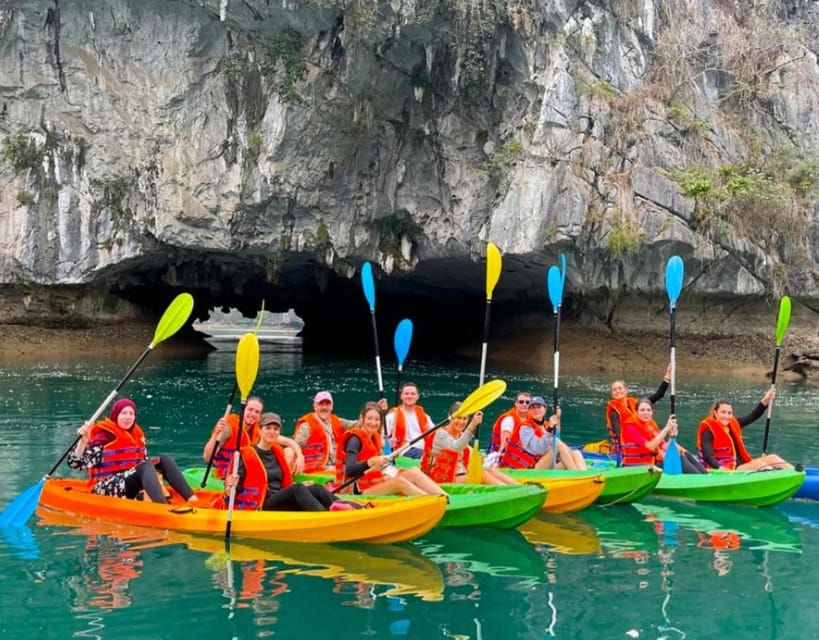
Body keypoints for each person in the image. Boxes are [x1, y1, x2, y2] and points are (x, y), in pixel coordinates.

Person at [68, 398, 198, 504]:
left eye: (131, 414)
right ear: (116, 415)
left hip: (130, 483)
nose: (128, 417)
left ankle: (191, 499)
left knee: (165, 460)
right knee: (145, 466)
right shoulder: (103, 436)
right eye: (123, 413)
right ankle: (161, 506)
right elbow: (76, 464)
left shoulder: (136, 435)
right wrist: (83, 442)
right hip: (104, 487)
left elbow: (144, 464)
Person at [223, 411, 356, 511]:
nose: (272, 432)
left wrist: (302, 485)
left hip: (279, 498)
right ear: (259, 430)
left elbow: (282, 484)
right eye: (268, 428)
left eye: (275, 429)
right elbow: (232, 492)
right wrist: (230, 485)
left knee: (315, 488)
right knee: (297, 488)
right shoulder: (246, 454)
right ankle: (324, 516)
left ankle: (351, 507)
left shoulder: (277, 451)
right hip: (261, 503)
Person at [337, 401, 448, 497]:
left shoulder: (373, 438)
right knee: (399, 482)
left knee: (414, 471)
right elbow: (350, 470)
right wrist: (372, 462)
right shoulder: (354, 440)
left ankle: (445, 497)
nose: (373, 423)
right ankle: (434, 503)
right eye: (369, 418)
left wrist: (391, 458)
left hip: (374, 483)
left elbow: (381, 467)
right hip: (356, 491)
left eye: (377, 419)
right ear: (362, 418)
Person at [696, 389, 793, 471]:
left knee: (773, 458)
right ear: (715, 413)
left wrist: (765, 401)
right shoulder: (708, 432)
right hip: (730, 470)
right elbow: (709, 456)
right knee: (760, 465)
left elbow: (752, 417)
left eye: (729, 413)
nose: (726, 416)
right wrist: (720, 468)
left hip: (744, 464)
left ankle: (795, 475)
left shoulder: (733, 425)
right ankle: (776, 479)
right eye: (723, 412)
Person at [422, 402, 518, 485]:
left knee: (489, 470)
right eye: (458, 418)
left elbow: (470, 453)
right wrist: (472, 425)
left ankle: (519, 488)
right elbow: (456, 447)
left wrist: (482, 458)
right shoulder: (440, 434)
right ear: (450, 417)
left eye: (465, 419)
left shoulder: (461, 435)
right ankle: (510, 493)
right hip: (442, 479)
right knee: (481, 475)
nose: (462, 422)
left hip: (460, 475)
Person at [293, 391, 386, 473]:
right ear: (315, 406)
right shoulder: (306, 425)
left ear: (332, 406)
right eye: (321, 404)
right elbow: (296, 445)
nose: (324, 407)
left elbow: (360, 424)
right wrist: (299, 457)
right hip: (316, 468)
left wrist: (375, 409)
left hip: (336, 466)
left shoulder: (337, 421)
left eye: (327, 404)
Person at [499, 396, 587, 470]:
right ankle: (578, 475)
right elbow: (538, 449)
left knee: (576, 453)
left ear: (544, 409)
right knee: (557, 444)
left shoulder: (545, 425)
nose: (536, 410)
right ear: (529, 411)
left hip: (542, 462)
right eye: (533, 408)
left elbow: (557, 437)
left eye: (539, 407)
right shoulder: (525, 427)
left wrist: (558, 418)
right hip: (528, 467)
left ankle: (585, 477)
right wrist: (549, 430)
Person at [620, 398, 706, 473]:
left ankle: (705, 475)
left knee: (682, 454)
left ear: (652, 412)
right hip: (636, 468)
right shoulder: (630, 427)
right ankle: (700, 479)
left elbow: (664, 446)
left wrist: (672, 437)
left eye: (648, 410)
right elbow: (651, 446)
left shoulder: (651, 425)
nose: (645, 413)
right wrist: (666, 428)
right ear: (636, 411)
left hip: (650, 464)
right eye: (642, 410)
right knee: (679, 459)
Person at [606, 364, 671, 454]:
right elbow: (619, 435)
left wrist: (667, 377)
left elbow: (658, 395)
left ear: (626, 390)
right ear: (612, 394)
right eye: (614, 390)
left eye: (620, 388)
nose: (617, 391)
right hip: (629, 447)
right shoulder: (614, 412)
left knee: (666, 447)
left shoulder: (636, 405)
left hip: (644, 442)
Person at [203, 396, 263, 479]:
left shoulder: (259, 429)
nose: (253, 414)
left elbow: (275, 437)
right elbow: (207, 457)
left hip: (246, 473)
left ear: (260, 415)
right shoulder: (228, 427)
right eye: (250, 409)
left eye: (257, 412)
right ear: (243, 410)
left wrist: (287, 442)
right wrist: (216, 434)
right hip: (226, 476)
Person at [385, 383, 436, 459]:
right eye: (406, 394)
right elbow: (383, 438)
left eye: (412, 394)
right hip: (404, 449)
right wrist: (389, 442)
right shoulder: (392, 416)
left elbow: (435, 434)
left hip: (424, 449)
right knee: (427, 457)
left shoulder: (425, 417)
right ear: (401, 396)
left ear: (417, 396)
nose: (409, 396)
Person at [486, 391, 532, 459]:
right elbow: (504, 446)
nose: (524, 404)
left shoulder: (532, 418)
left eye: (527, 402)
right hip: (505, 455)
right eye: (521, 402)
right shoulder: (509, 420)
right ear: (516, 403)